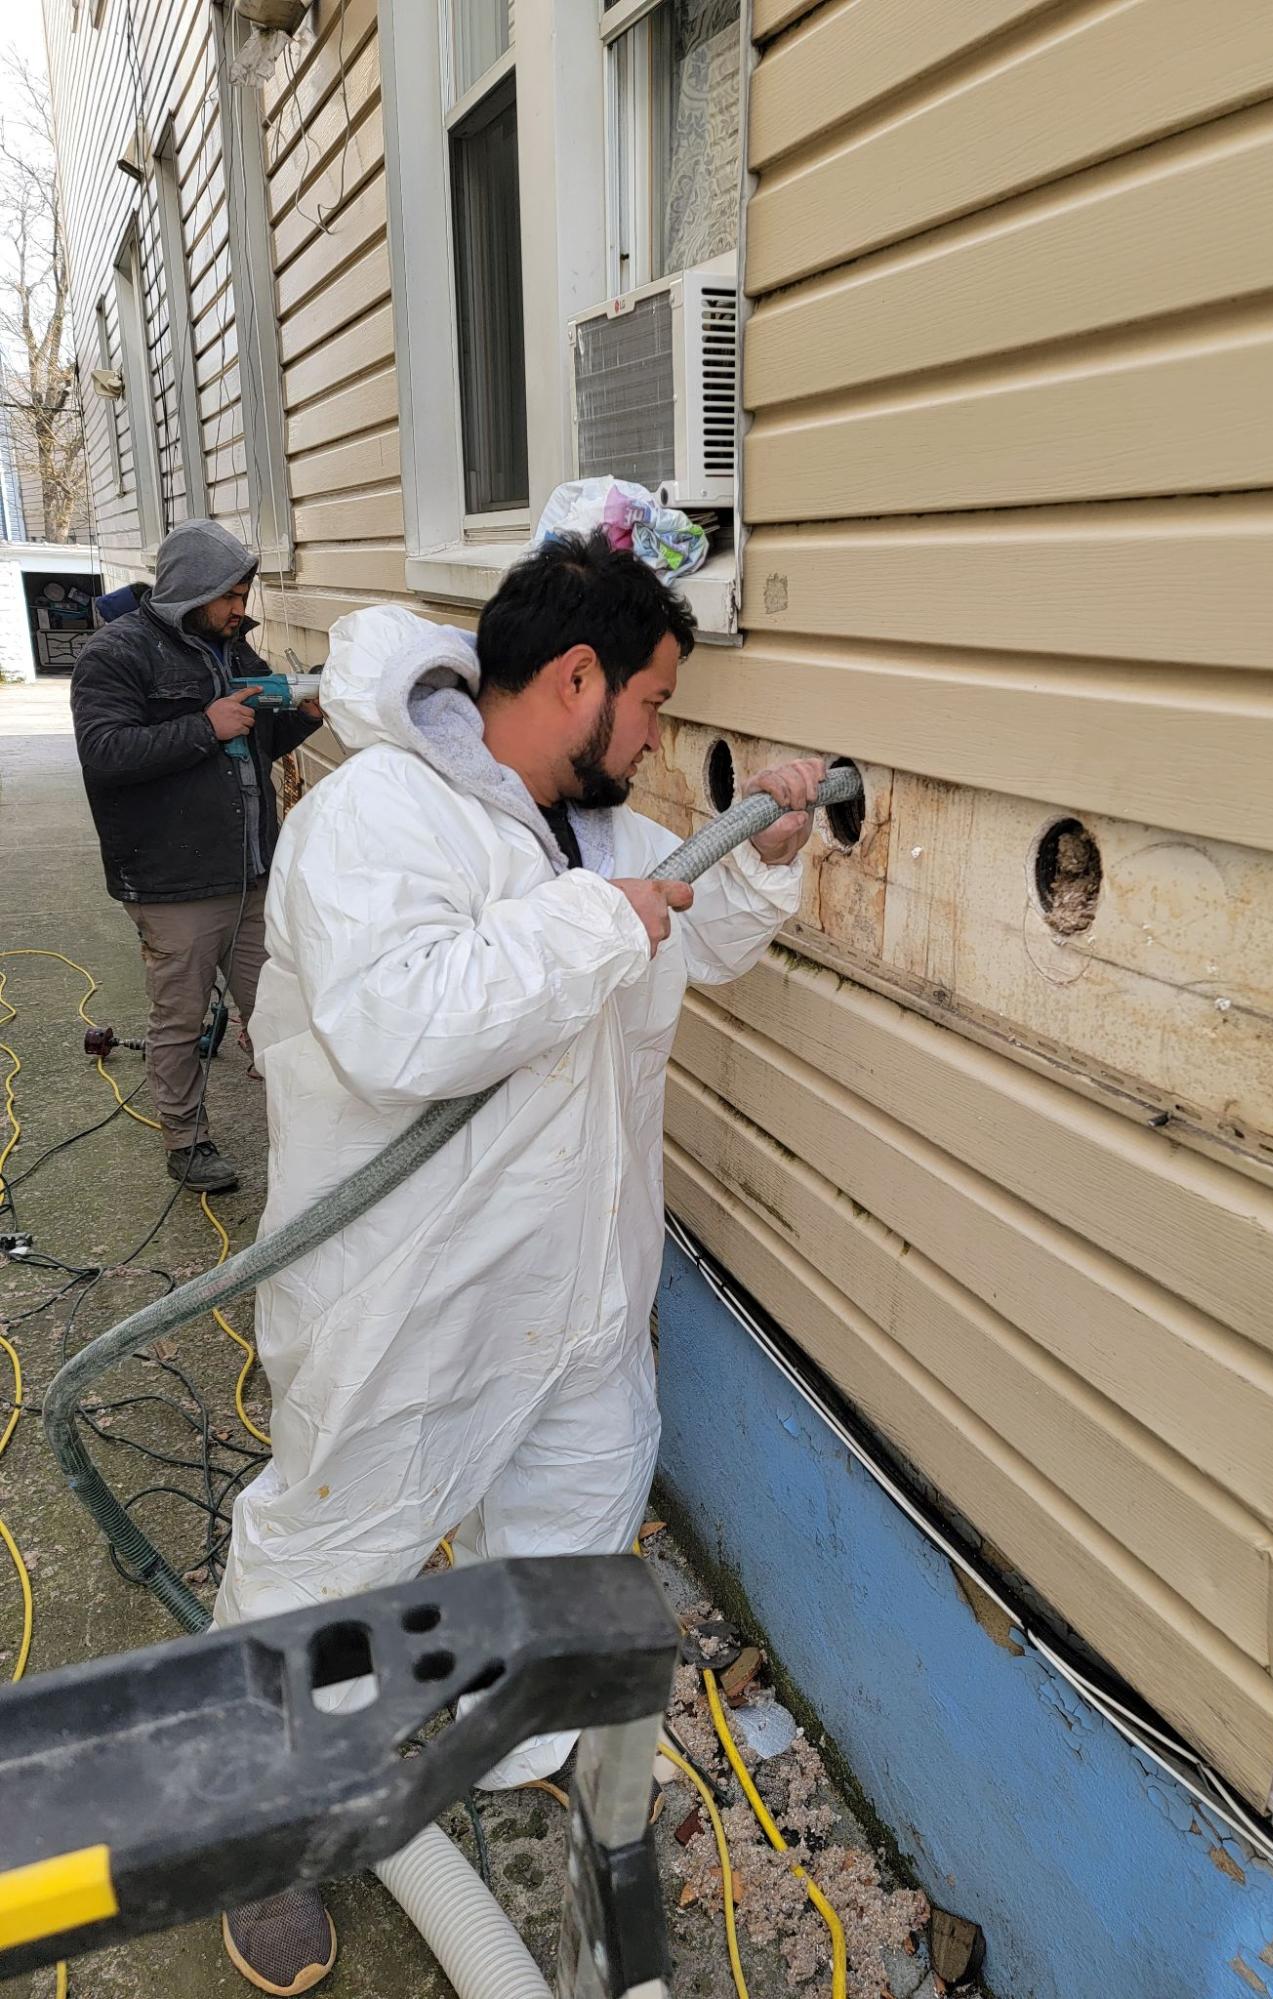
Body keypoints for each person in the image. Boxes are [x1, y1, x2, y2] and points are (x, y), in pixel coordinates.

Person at [212, 532, 822, 1993]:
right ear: (575, 674)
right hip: (406, 1303)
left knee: (564, 1527)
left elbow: (659, 946)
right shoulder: (375, 814)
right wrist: (586, 923)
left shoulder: (596, 831)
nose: (660, 733)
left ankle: (515, 1748)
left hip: (577, 1297)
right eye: (656, 702)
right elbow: (401, 1026)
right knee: (334, 1550)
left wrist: (760, 864)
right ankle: (269, 1827)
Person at [70, 520, 322, 1193]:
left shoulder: (234, 648)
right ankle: (187, 1138)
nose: (242, 609)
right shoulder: (117, 655)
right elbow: (105, 753)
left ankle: (307, 1128)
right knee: (180, 1018)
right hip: (172, 880)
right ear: (192, 590)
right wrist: (203, 728)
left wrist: (310, 710)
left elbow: (267, 734)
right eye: (231, 595)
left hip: (250, 870)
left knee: (279, 1004)